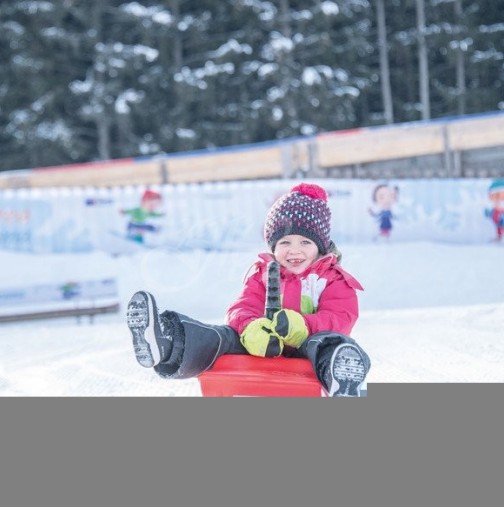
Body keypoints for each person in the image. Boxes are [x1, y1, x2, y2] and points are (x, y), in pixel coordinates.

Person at [126, 183, 371, 397]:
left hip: (307, 351)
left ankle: (342, 379)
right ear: (273, 246)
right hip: (262, 349)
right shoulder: (262, 274)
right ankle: (168, 340)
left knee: (330, 343)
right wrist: (251, 329)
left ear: (320, 247)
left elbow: (342, 317)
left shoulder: (331, 278)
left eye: (305, 242)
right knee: (222, 336)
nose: (294, 251)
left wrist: (303, 327)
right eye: (285, 242)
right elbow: (241, 308)